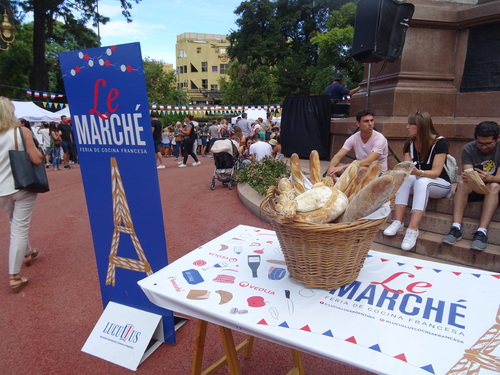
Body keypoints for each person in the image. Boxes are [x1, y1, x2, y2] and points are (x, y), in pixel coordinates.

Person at [384, 111, 452, 251]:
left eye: (411, 124)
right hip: (419, 182)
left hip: (440, 184)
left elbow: (436, 172)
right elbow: (408, 169)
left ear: (420, 126)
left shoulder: (440, 143)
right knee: (407, 177)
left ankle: (413, 229)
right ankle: (398, 221)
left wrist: (417, 172)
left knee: (422, 181)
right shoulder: (410, 143)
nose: (407, 127)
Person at [0, 97, 43, 293]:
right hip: (22, 186)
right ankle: (14, 276)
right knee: (19, 228)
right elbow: (35, 160)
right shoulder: (21, 131)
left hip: (1, 190)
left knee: (15, 224)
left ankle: (28, 252)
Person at [442, 121, 500, 251]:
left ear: (497, 139)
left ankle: (482, 232)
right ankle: (456, 227)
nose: (484, 147)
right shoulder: (468, 148)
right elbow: (468, 171)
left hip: (495, 188)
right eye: (480, 143)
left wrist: (490, 178)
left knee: (494, 185)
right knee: (463, 182)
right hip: (477, 186)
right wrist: (470, 177)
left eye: (488, 144)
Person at [326, 109, 389, 178]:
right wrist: (331, 169)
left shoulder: (380, 139)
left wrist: (343, 167)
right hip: (359, 168)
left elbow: (369, 161)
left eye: (372, 120)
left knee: (361, 170)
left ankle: (344, 182)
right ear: (358, 124)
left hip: (377, 172)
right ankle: (336, 185)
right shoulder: (354, 138)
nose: (370, 124)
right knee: (335, 166)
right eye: (366, 121)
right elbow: (337, 156)